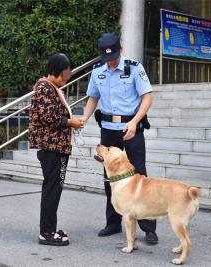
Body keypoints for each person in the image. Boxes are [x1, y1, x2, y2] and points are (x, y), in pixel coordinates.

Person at [80, 33, 158, 244]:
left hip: (131, 128)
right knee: (109, 177)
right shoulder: (98, 72)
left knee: (140, 175)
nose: (111, 62)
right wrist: (84, 118)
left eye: (114, 57)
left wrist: (134, 122)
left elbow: (147, 98)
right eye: (107, 58)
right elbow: (93, 98)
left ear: (120, 50)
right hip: (108, 129)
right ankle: (113, 223)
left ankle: (148, 227)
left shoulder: (134, 68)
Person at [28, 53, 84, 246]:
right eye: (63, 75)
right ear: (54, 71)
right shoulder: (45, 88)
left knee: (55, 188)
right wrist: (71, 122)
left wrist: (71, 122)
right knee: (52, 189)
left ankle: (50, 228)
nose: (65, 79)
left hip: (58, 147)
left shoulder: (52, 88)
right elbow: (47, 117)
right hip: (51, 148)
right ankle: (46, 232)